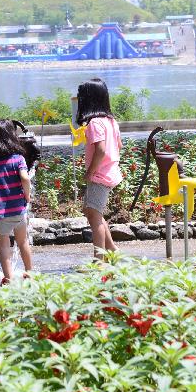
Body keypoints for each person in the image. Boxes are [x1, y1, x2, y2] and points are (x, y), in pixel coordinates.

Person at [0, 119, 33, 284]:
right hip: (18, 210)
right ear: (12, 137)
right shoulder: (18, 159)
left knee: (3, 246)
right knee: (23, 241)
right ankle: (29, 272)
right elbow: (25, 178)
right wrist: (28, 195)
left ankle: (8, 278)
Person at [76, 78, 123, 258]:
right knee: (91, 211)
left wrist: (90, 172)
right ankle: (111, 249)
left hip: (99, 175)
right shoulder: (111, 121)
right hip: (110, 173)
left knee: (94, 217)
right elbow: (119, 145)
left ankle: (99, 259)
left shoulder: (95, 123)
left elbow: (101, 150)